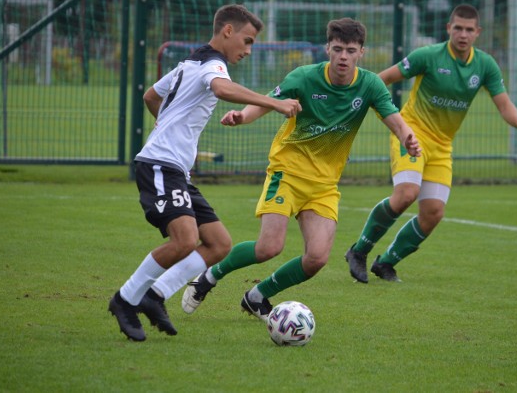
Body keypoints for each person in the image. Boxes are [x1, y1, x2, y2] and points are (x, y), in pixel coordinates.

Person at [180, 17, 421, 321]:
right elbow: (267, 102)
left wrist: (407, 137)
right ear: (327, 49)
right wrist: (243, 116)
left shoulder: (370, 85)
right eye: (337, 49)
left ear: (361, 52)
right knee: (269, 247)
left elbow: (394, 118)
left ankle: (257, 296)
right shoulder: (305, 77)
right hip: (287, 173)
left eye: (350, 50)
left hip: (324, 185)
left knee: (317, 258)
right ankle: (209, 277)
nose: (343, 56)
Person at [107, 4, 302, 341]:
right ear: (227, 31)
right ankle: (125, 300)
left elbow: (151, 95)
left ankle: (155, 297)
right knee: (184, 240)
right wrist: (276, 103)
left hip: (175, 168)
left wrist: (166, 126)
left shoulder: (189, 63)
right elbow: (223, 90)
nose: (248, 49)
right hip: (160, 164)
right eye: (248, 40)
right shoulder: (213, 66)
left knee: (219, 243)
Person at [344, 3, 517, 283]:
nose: (463, 34)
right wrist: (358, 102)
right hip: (411, 134)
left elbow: (504, 103)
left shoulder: (485, 65)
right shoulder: (429, 56)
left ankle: (385, 263)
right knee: (407, 193)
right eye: (457, 27)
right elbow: (383, 78)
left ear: (477, 32)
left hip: (442, 145)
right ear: (448, 28)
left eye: (469, 29)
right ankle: (359, 251)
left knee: (433, 212)